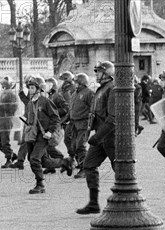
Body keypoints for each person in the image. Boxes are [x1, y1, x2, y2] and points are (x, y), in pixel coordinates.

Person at [76, 61, 116, 215]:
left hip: (110, 136)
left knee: (118, 167)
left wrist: (98, 136)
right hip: (100, 136)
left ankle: (125, 197)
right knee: (89, 164)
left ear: (107, 73)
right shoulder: (101, 89)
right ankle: (93, 203)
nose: (96, 74)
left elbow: (112, 117)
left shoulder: (112, 88)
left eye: (99, 72)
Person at [22, 76, 73, 194]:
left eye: (32, 87)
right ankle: (65, 162)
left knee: (34, 158)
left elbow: (55, 118)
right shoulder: (30, 103)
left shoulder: (45, 101)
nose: (30, 90)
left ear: (38, 88)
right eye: (29, 88)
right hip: (32, 135)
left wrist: (50, 131)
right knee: (41, 161)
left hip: (43, 135)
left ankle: (40, 184)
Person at [70, 73, 95, 179]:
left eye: (75, 82)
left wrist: (90, 122)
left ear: (81, 83)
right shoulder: (74, 93)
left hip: (83, 123)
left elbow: (93, 108)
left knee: (80, 145)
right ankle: (81, 164)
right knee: (73, 146)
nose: (74, 84)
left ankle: (85, 169)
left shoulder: (88, 93)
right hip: (74, 122)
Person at [44, 77, 70, 174]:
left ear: (52, 86)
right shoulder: (49, 97)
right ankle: (51, 165)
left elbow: (66, 108)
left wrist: (53, 112)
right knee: (45, 145)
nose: (45, 86)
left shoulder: (57, 96)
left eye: (47, 84)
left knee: (49, 146)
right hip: (49, 124)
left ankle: (62, 160)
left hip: (55, 124)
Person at [0, 76, 19, 168]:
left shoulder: (11, 95)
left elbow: (13, 107)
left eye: (4, 84)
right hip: (0, 120)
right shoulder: (3, 93)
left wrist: (4, 109)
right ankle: (12, 154)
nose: (2, 85)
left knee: (5, 140)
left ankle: (9, 159)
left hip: (6, 119)